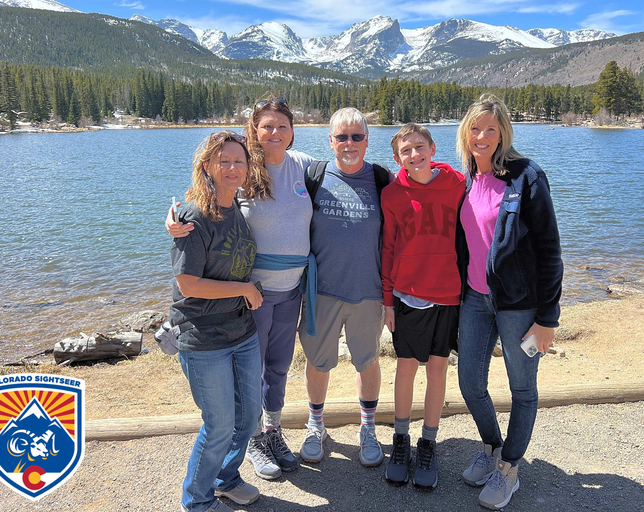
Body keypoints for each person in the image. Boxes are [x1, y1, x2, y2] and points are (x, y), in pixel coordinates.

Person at [168, 98, 314, 481]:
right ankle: (249, 441)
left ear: (292, 130)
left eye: (282, 125)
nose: (274, 133)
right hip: (252, 291)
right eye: (266, 126)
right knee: (254, 371)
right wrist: (175, 220)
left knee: (279, 367)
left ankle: (271, 432)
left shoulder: (304, 166)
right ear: (254, 129)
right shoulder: (244, 169)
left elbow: (351, 172)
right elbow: (207, 202)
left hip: (292, 290)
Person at [455, 94, 563, 510]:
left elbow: (550, 250)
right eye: (475, 129)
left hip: (519, 304)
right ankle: (493, 447)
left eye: (491, 130)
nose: (482, 137)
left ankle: (509, 470)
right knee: (470, 384)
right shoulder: (466, 177)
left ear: (503, 134)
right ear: (466, 133)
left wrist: (547, 319)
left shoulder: (526, 176)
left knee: (522, 389)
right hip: (475, 300)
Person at [169, 131, 265, 512]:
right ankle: (197, 500)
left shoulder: (238, 208)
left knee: (248, 415)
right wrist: (245, 289)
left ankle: (226, 478)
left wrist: (244, 292)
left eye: (238, 161)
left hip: (242, 332)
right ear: (207, 165)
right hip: (203, 336)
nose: (231, 167)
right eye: (223, 161)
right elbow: (187, 283)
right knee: (220, 424)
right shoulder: (193, 217)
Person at [297, 107, 392, 468]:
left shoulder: (383, 179)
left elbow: (419, 199)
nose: (349, 143)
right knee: (318, 362)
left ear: (367, 140)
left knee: (366, 361)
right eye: (342, 137)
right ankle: (315, 424)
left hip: (368, 291)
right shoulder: (314, 176)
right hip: (321, 291)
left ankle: (368, 428)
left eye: (357, 136)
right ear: (330, 141)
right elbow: (260, 186)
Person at [380, 123, 465, 489]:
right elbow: (387, 248)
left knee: (437, 370)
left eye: (419, 147)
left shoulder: (459, 185)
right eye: (405, 151)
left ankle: (428, 443)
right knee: (405, 368)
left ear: (432, 147)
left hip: (448, 293)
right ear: (397, 158)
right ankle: (401, 441)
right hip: (407, 295)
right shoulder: (392, 194)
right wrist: (387, 300)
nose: (413, 155)